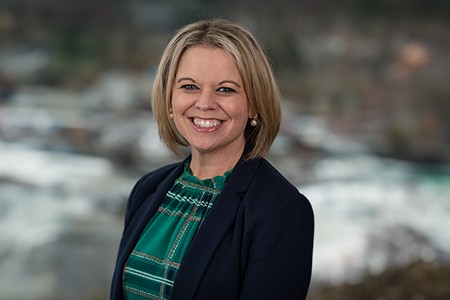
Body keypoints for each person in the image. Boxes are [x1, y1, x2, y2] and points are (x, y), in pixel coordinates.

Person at [110, 18, 314, 300]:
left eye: (226, 89)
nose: (205, 103)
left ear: (254, 103)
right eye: (190, 87)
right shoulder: (147, 190)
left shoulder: (282, 213)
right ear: (170, 98)